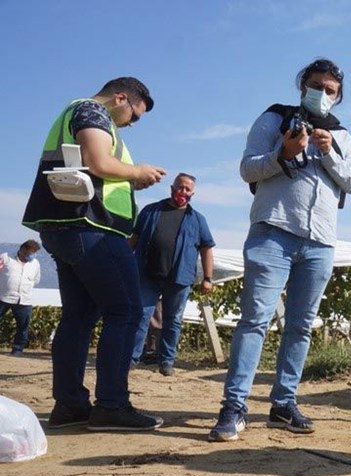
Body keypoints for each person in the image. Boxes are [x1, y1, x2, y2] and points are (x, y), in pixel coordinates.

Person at [209, 58, 351, 442]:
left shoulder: (342, 136)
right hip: (273, 231)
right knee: (254, 321)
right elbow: (248, 169)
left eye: (330, 90)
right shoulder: (273, 119)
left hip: (321, 241)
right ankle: (234, 405)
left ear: (338, 96)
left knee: (300, 327)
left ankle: (283, 403)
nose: (322, 93)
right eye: (316, 85)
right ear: (301, 86)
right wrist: (284, 153)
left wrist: (328, 153)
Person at [22, 76, 167, 431]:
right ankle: (112, 406)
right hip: (92, 228)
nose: (131, 124)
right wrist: (137, 172)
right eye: (134, 115)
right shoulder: (92, 111)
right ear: (121, 98)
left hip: (63, 227)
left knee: (79, 316)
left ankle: (70, 405)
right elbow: (98, 162)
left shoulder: (75, 112)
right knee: (127, 312)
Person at [130, 173, 215, 376]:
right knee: (141, 316)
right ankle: (131, 358)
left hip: (180, 278)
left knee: (173, 320)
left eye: (187, 189)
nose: (182, 192)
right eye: (180, 187)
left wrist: (208, 278)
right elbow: (134, 239)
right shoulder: (150, 211)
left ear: (192, 193)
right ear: (171, 188)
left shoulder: (197, 220)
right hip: (148, 274)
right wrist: (124, 262)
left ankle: (167, 361)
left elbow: (206, 249)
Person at [0, 240, 42, 356]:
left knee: (23, 327)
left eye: (34, 252)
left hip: (24, 300)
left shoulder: (35, 263)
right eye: (30, 252)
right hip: (3, 297)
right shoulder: (5, 258)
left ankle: (17, 350)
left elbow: (36, 280)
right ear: (23, 249)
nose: (32, 255)